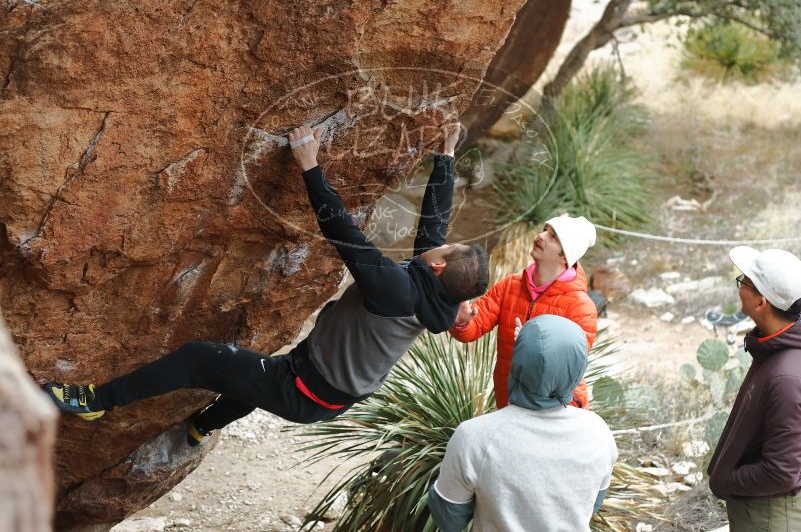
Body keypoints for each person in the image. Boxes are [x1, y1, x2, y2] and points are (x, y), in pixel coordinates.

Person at [44, 122, 490, 446]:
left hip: (306, 390)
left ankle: (96, 399)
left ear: (437, 268)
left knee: (203, 358)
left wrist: (310, 166)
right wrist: (445, 157)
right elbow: (432, 230)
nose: (443, 244)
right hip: (325, 383)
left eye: (448, 250)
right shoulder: (438, 296)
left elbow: (343, 233)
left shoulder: (397, 291)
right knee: (252, 375)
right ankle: (204, 425)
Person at [428, 314, 617, 532]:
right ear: (578, 371)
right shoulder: (598, 433)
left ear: (517, 361)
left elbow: (449, 519)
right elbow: (592, 505)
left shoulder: (474, 436)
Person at [449, 214, 597, 408]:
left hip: (555, 410)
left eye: (553, 237)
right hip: (509, 402)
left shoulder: (581, 308)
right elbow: (473, 327)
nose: (541, 236)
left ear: (564, 257)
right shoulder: (510, 285)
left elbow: (568, 368)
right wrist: (460, 320)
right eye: (545, 230)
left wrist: (532, 348)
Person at [708, 246, 801, 530]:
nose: (740, 287)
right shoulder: (776, 345)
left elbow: (782, 473)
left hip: (769, 516)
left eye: (744, 281)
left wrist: (726, 479)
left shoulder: (786, 377)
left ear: (761, 303)